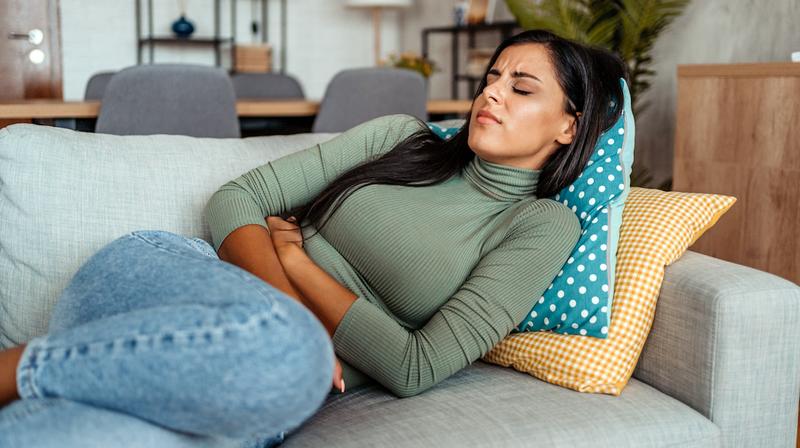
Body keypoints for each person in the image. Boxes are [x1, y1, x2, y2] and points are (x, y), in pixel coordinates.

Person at [0, 28, 628, 447]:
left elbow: (417, 366)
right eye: (492, 78)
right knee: (288, 351)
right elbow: (234, 201)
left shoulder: (541, 226)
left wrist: (298, 262)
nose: (491, 92)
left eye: (521, 88)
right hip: (162, 279)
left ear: (570, 128)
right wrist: (295, 318)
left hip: (266, 381)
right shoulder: (399, 139)